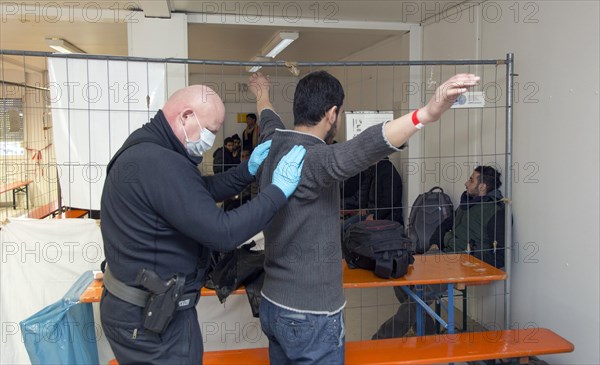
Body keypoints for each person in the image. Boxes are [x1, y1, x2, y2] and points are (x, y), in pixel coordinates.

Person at [248, 70, 479, 364]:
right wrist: (427, 113)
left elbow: (267, 118)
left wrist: (261, 92)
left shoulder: (273, 144)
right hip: (310, 314)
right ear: (332, 114)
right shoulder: (315, 159)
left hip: (273, 304)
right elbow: (365, 146)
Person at [99, 84, 306, 365]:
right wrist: (277, 192)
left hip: (146, 311)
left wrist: (247, 171)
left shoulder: (148, 146)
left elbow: (194, 193)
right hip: (150, 320)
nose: (210, 141)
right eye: (209, 130)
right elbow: (224, 233)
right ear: (185, 117)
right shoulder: (159, 162)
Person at [372, 165, 505, 340]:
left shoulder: (496, 212)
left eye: (471, 180)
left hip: (464, 265)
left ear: (482, 187)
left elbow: (499, 256)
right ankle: (427, 332)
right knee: (400, 276)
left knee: (419, 294)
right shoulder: (467, 205)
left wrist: (469, 260)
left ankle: (381, 339)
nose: (466, 183)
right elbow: (445, 225)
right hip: (444, 257)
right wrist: (434, 245)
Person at [341, 156, 404, 226]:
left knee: (344, 228)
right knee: (343, 227)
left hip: (384, 217)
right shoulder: (375, 170)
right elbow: (366, 195)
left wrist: (375, 217)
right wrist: (366, 208)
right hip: (371, 213)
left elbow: (389, 202)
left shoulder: (387, 172)